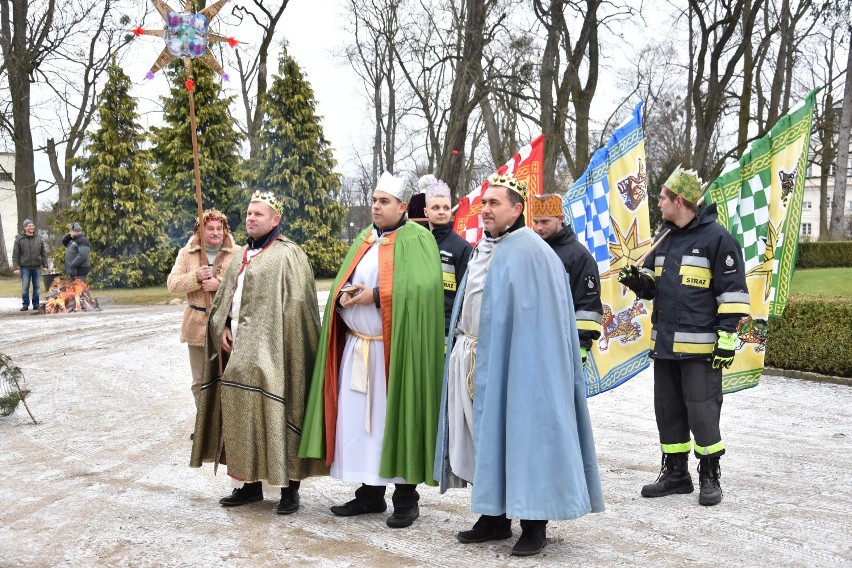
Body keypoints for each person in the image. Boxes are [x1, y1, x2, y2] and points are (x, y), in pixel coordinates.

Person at [434, 173, 604, 557]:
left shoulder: (533, 252)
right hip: (477, 357)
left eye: (495, 203)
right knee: (485, 437)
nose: (486, 209)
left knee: (525, 437)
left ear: (517, 208)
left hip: (521, 364)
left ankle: (533, 523)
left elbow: (542, 322)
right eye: (484, 203)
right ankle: (495, 516)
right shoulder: (482, 248)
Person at [299, 171, 445, 529]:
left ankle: (406, 499)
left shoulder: (419, 240)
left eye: (384, 202)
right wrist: (343, 295)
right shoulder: (365, 239)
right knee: (362, 425)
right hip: (358, 349)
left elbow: (424, 293)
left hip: (395, 353)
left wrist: (377, 297)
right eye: (374, 201)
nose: (376, 207)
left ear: (401, 206)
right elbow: (341, 282)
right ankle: (369, 495)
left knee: (396, 419)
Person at [617, 166, 750, 506]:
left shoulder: (718, 239)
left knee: (702, 410)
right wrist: (636, 280)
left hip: (701, 350)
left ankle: (710, 474)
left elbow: (733, 294)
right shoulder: (663, 239)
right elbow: (651, 288)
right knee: (668, 409)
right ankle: (676, 474)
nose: (658, 203)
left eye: (662, 198)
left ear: (679, 201)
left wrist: (726, 337)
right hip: (664, 347)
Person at [190, 191, 327, 514]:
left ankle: (289, 490)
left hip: (275, 354)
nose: (251, 218)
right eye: (249, 214)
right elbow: (226, 297)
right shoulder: (240, 255)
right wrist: (222, 324)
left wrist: (281, 345)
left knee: (282, 412)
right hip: (236, 353)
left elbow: (297, 308)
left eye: (258, 215)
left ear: (275, 219)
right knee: (240, 416)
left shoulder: (288, 255)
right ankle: (249, 485)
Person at [167, 209, 238, 409]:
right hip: (197, 324)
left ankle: (227, 428)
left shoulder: (238, 253)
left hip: (227, 323)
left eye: (219, 228)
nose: (216, 232)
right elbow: (172, 285)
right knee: (200, 381)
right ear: (200, 231)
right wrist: (195, 278)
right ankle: (204, 427)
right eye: (210, 229)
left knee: (227, 378)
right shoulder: (186, 253)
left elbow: (247, 283)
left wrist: (220, 284)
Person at [531, 194, 602, 363]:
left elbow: (588, 306)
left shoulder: (580, 256)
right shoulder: (532, 250)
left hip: (563, 347)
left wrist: (581, 345)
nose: (539, 227)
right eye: (535, 222)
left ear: (560, 219)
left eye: (545, 222)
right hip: (532, 343)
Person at [423, 178, 472, 335]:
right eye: (435, 207)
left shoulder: (462, 247)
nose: (441, 212)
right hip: (419, 324)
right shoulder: (416, 242)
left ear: (451, 211)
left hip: (447, 329)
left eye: (446, 207)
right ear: (426, 211)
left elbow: (465, 294)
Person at [12, 219, 48, 312]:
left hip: (36, 267)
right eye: (29, 225)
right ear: (25, 228)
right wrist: (16, 267)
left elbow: (43, 253)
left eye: (32, 225)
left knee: (37, 287)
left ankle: (36, 304)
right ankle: (25, 304)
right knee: (25, 287)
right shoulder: (19, 239)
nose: (31, 227)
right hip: (25, 267)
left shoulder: (39, 238)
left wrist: (45, 266)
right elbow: (15, 255)